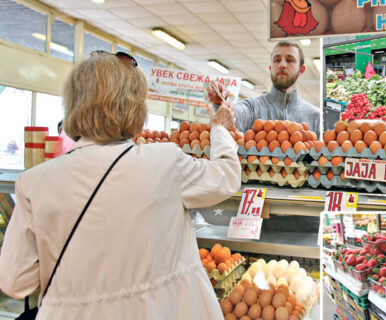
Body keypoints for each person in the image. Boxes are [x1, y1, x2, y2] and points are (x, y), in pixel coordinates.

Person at [0, 51, 240, 319]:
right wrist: (218, 128)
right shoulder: (164, 162)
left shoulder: (34, 182)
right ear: (134, 106)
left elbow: (16, 282)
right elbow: (227, 177)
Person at [207, 41, 321, 136]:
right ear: (271, 68)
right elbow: (236, 115)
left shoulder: (315, 116)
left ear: (301, 70)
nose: (282, 64)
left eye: (290, 60)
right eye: (277, 60)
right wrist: (220, 103)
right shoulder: (253, 107)